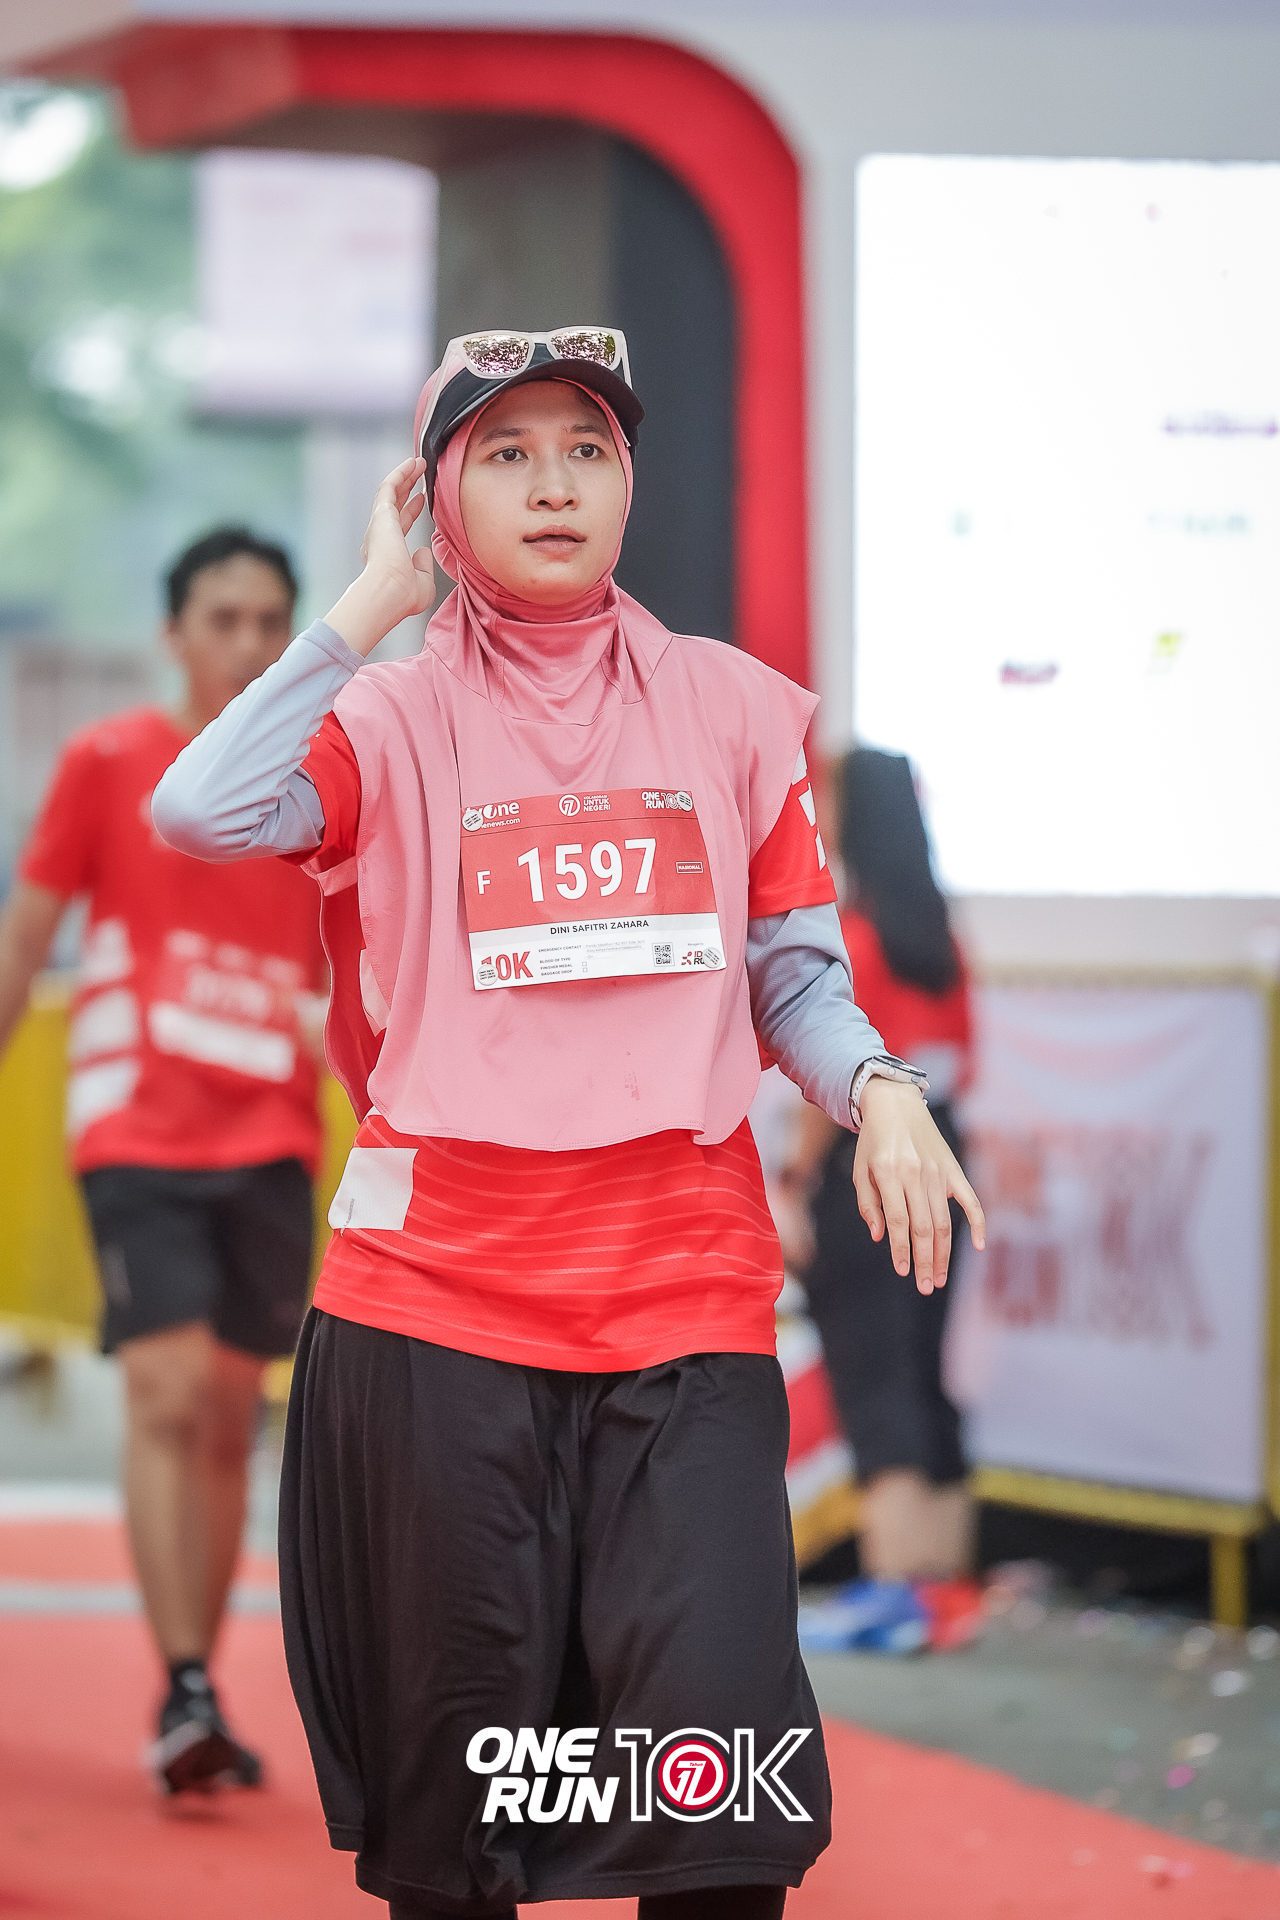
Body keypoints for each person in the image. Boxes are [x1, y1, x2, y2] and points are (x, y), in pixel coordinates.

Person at [154, 327, 984, 1917]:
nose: (556, 486)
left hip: (685, 1306)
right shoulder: (387, 720)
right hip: (438, 1315)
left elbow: (794, 978)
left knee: (719, 1791)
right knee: (463, 1820)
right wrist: (373, 604)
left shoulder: (730, 710)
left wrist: (882, 1089)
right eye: (508, 455)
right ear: (439, 495)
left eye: (588, 450)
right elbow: (201, 807)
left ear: (628, 483)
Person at [0, 527, 327, 1792]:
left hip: (273, 1132)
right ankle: (183, 1682)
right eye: (223, 618)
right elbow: (26, 934)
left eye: (269, 621)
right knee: (167, 1393)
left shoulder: (318, 779)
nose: (247, 642)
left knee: (228, 1416)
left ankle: (200, 1688)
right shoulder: (110, 762)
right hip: (134, 1124)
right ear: (172, 634)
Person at [783, 748, 981, 1656]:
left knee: (874, 1369)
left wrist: (794, 1177)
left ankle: (896, 1590)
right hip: (946, 1150)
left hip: (871, 1163)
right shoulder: (943, 946)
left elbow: (843, 1078)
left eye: (825, 798)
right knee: (923, 1368)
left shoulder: (856, 940)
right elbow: (963, 1062)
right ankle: (943, 1589)